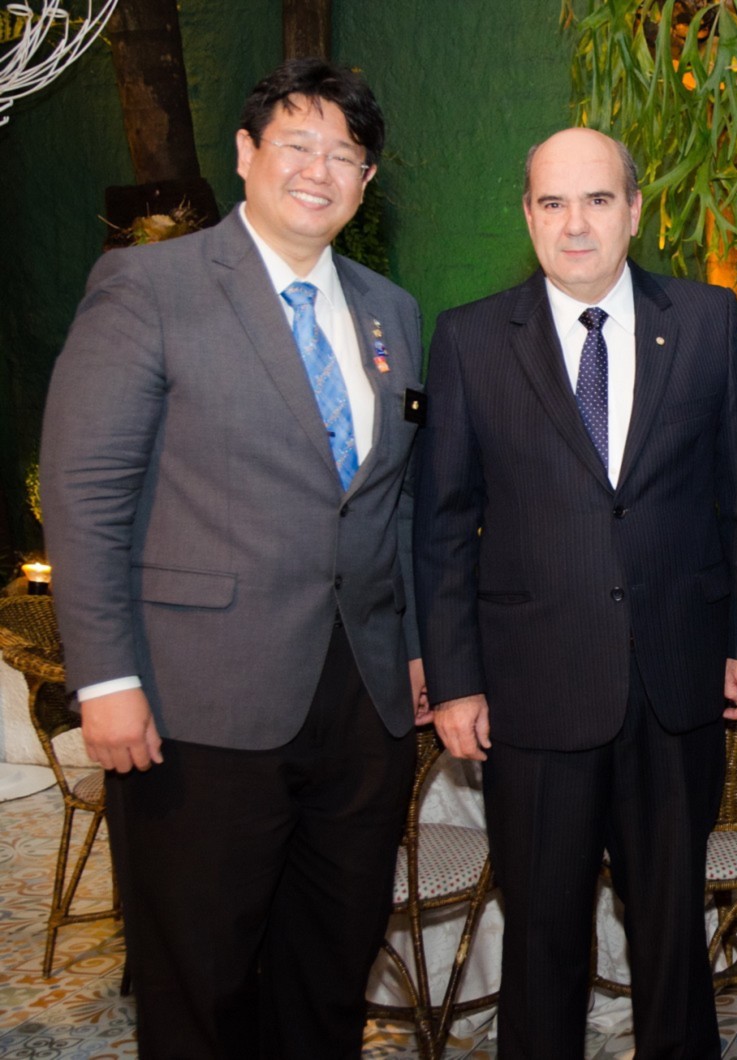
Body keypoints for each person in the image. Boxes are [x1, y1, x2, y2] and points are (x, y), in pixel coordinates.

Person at [39, 59, 426, 1058]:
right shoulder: (150, 285)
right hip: (196, 702)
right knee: (200, 977)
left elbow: (392, 500)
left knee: (330, 967)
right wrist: (106, 679)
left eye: (346, 155)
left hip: (363, 704)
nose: (320, 170)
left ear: (366, 182)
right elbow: (86, 493)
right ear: (247, 153)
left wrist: (416, 648)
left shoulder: (390, 310)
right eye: (297, 143)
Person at [412, 126, 737, 1058]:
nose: (575, 224)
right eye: (553, 202)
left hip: (675, 683)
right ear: (527, 215)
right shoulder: (469, 340)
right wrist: (454, 681)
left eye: (598, 200)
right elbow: (443, 526)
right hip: (531, 695)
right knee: (541, 937)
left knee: (672, 934)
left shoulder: (707, 322)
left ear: (635, 211)